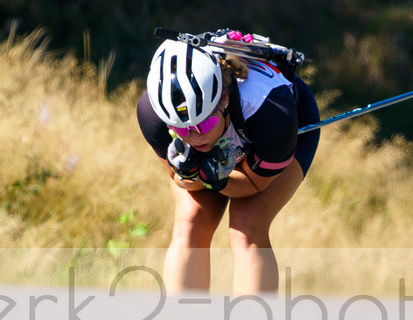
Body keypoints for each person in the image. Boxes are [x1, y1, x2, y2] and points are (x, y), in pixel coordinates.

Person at [136, 38, 320, 294]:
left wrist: (217, 180)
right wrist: (191, 173)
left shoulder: (269, 110)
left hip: (278, 128)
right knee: (191, 220)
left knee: (247, 226)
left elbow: (255, 183)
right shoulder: (153, 115)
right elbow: (180, 178)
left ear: (223, 99)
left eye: (204, 125)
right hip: (238, 129)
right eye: (181, 129)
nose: (193, 137)